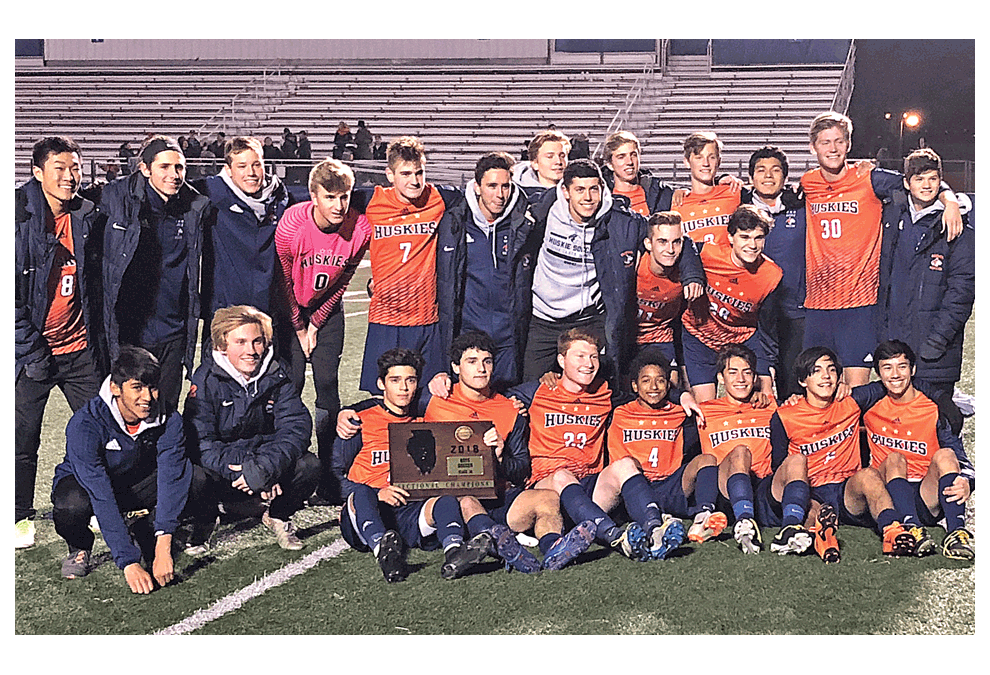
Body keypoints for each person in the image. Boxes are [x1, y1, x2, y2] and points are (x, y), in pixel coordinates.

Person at [508, 328, 704, 561]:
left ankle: (655, 529)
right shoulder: (537, 391)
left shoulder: (604, 392)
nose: (589, 364)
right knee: (562, 475)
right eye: (580, 356)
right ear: (561, 360)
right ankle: (616, 537)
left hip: (590, 487)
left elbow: (648, 392)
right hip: (548, 487)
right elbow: (497, 400)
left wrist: (680, 395)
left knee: (625, 465)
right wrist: (514, 404)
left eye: (593, 357)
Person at [800, 111, 962, 387]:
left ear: (848, 145)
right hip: (817, 305)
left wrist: (951, 200)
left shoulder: (870, 179)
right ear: (813, 146)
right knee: (816, 390)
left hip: (859, 305)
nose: (833, 148)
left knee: (857, 391)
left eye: (839, 141)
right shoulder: (808, 183)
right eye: (825, 142)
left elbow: (918, 180)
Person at [423, 331, 595, 572]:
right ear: (455, 367)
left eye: (487, 361)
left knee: (548, 499)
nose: (481, 369)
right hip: (456, 499)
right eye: (471, 362)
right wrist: (350, 412)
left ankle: (553, 547)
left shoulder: (509, 408)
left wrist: (500, 457)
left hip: (500, 496)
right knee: (465, 499)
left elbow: (521, 467)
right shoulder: (436, 397)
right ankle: (501, 545)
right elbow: (390, 405)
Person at [52, 346, 217, 591]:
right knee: (71, 504)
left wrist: (163, 543)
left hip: (139, 484)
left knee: (196, 478)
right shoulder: (85, 423)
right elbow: (100, 492)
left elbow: (172, 476)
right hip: (93, 487)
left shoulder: (168, 419)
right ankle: (79, 546)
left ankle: (148, 526)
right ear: (115, 389)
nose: (148, 397)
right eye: (137, 387)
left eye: (152, 387)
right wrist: (128, 561)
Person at [333, 348, 492, 582]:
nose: (404, 388)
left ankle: (455, 553)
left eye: (410, 380)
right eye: (395, 380)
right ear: (381, 384)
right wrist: (379, 493)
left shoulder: (422, 422)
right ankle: (383, 550)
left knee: (445, 500)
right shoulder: (358, 420)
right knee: (362, 492)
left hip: (408, 510)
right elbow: (334, 477)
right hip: (367, 509)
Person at [15, 136, 105, 549]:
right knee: (21, 439)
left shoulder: (87, 214)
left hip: (79, 348)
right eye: (60, 169)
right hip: (31, 351)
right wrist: (32, 350)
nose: (70, 177)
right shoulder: (15, 215)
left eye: (75, 168)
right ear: (37, 172)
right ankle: (17, 516)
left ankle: (109, 504)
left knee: (104, 431)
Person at [275, 158, 372, 505]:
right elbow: (285, 281)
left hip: (327, 312)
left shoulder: (360, 228)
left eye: (344, 196)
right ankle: (291, 470)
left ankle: (331, 475)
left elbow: (343, 281)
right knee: (291, 386)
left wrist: (317, 323)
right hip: (290, 312)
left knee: (328, 386)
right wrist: (300, 327)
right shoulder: (292, 225)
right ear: (313, 196)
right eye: (330, 197)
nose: (339, 205)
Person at [183, 306, 318, 550]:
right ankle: (206, 520)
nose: (251, 351)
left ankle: (279, 515)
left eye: (257, 341)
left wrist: (266, 466)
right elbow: (200, 442)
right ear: (222, 345)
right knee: (194, 475)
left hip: (265, 462)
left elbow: (296, 426)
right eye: (241, 342)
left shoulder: (277, 372)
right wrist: (247, 469)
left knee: (309, 466)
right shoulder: (204, 379)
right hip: (228, 470)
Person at [770, 347, 918, 563]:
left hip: (846, 489)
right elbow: (778, 465)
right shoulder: (785, 415)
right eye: (816, 371)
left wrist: (940, 398)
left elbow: (894, 383)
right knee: (809, 505)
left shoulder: (851, 401)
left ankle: (892, 530)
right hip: (810, 489)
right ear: (803, 381)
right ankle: (809, 533)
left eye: (831, 370)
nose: (826, 376)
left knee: (869, 476)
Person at [99, 134, 209, 412]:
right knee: (129, 414)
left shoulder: (195, 206)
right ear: (145, 169)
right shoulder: (114, 197)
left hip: (174, 331)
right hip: (131, 331)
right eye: (165, 167)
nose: (174, 175)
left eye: (179, 167)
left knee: (167, 410)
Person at [352, 135, 465, 394]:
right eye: (405, 173)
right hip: (385, 317)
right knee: (383, 397)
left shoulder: (438, 198)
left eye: (419, 172)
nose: (414, 181)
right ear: (389, 175)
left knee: (430, 395)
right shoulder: (371, 201)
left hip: (426, 317)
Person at [522, 158, 645, 384]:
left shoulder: (618, 220)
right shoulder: (543, 211)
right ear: (565, 191)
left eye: (593, 189)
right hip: (543, 319)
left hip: (588, 318)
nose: (587, 198)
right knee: (531, 388)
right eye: (579, 190)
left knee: (598, 387)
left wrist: (691, 273)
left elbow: (664, 233)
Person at [605, 352, 729, 560]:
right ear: (634, 386)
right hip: (638, 487)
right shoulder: (620, 413)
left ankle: (703, 517)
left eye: (660, 380)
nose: (653, 387)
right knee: (627, 466)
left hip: (671, 484)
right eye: (646, 381)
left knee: (707, 459)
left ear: (668, 386)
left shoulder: (680, 412)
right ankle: (654, 520)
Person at [860, 340, 975, 560]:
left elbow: (961, 458)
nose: (895, 374)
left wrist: (968, 482)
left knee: (946, 455)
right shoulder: (869, 406)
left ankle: (955, 533)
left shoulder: (934, 408)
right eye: (887, 367)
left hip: (926, 494)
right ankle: (911, 529)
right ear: (878, 374)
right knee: (895, 459)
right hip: (889, 495)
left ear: (912, 370)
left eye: (902, 366)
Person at [696, 345, 813, 556]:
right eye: (733, 372)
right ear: (721, 378)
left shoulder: (770, 406)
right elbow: (659, 398)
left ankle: (790, 528)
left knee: (797, 459)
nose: (740, 378)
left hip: (764, 486)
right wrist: (684, 396)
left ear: (754, 377)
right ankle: (744, 521)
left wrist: (795, 399)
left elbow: (808, 408)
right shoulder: (704, 410)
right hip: (727, 489)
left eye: (747, 372)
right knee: (741, 451)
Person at [878, 148, 974, 401]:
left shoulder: (957, 226)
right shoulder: (893, 214)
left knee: (939, 425)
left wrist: (938, 340)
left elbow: (961, 295)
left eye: (933, 179)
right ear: (907, 183)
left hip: (936, 351)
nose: (926, 185)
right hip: (897, 346)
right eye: (919, 179)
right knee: (899, 428)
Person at [435, 151, 536, 390]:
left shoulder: (523, 224)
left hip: (509, 334)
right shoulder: (456, 221)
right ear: (477, 186)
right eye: (492, 186)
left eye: (505, 186)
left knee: (508, 402)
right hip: (470, 332)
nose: (500, 195)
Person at [196, 136, 294, 355]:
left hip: (268, 312)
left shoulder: (279, 196)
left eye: (256, 164)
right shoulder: (211, 192)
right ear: (228, 169)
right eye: (242, 166)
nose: (251, 172)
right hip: (225, 314)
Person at [681, 205, 781, 402]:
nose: (752, 245)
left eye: (758, 238)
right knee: (705, 406)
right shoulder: (707, 254)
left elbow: (768, 326)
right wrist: (691, 276)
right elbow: (683, 244)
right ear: (730, 238)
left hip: (742, 337)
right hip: (699, 334)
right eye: (744, 237)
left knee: (766, 395)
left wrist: (768, 365)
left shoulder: (772, 275)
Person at [743, 146, 808, 400]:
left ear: (785, 177)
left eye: (775, 170)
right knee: (757, 389)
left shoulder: (801, 205)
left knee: (794, 385)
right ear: (751, 178)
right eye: (761, 170)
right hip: (753, 312)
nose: (768, 176)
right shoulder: (739, 207)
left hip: (795, 309)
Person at [633, 211, 705, 386]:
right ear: (648, 244)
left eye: (676, 242)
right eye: (662, 242)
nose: (670, 250)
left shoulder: (685, 271)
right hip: (630, 337)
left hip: (660, 336)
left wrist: (695, 277)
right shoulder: (635, 264)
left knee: (672, 386)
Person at [672, 131, 742, 246]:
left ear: (719, 161)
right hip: (694, 264)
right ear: (687, 162)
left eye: (712, 157)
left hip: (727, 263)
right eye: (699, 157)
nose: (706, 163)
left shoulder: (734, 192)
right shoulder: (676, 202)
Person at [601, 130, 678, 218]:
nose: (629, 162)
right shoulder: (602, 199)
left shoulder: (661, 193)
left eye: (633, 155)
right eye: (621, 157)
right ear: (610, 165)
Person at [512, 129, 570, 200]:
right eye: (550, 156)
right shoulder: (517, 196)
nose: (558, 161)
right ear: (535, 163)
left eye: (562, 156)